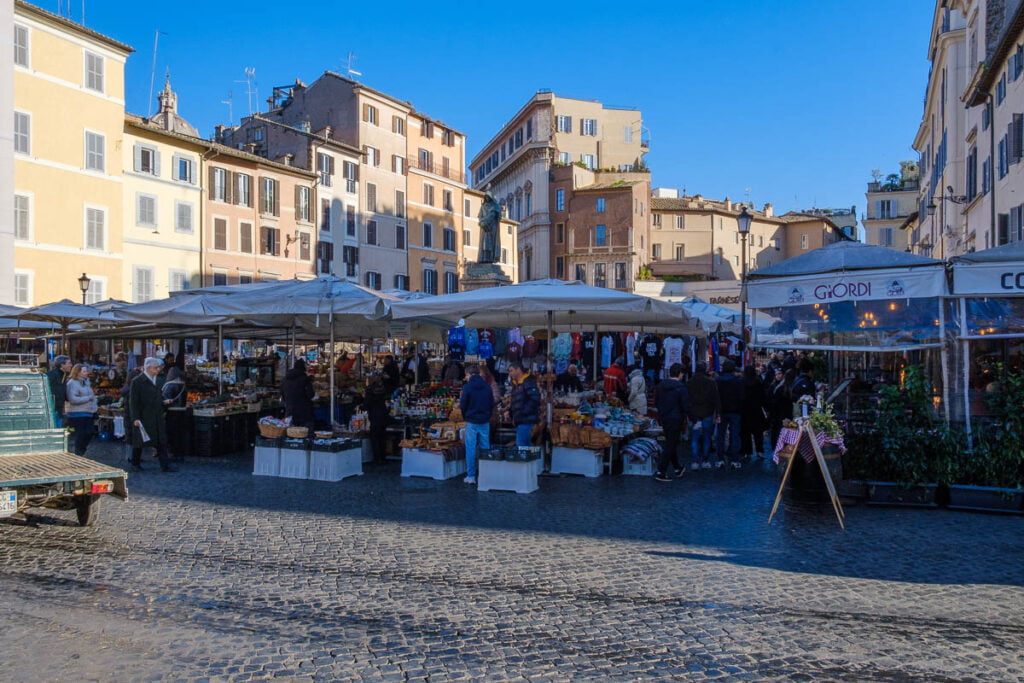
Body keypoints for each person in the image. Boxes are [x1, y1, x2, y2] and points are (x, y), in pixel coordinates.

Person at [128, 357, 176, 472]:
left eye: (158, 367)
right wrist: (135, 417)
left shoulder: (158, 380)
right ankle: (135, 463)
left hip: (157, 415)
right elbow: (133, 401)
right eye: (155, 367)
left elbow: (159, 396)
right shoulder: (137, 381)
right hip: (144, 415)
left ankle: (165, 465)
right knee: (140, 441)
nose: (158, 369)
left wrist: (164, 402)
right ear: (148, 368)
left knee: (161, 441)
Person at [654, 363, 691, 481]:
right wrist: (692, 418)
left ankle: (677, 467)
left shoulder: (661, 386)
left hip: (664, 417)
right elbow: (686, 405)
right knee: (671, 444)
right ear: (680, 374)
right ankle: (661, 470)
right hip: (676, 418)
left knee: (671, 442)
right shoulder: (681, 387)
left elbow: (656, 401)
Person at [459, 364, 494, 485]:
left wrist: (466, 416)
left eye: (466, 375)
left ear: (470, 374)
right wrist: (487, 415)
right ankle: (486, 474)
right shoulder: (487, 387)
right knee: (485, 447)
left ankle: (471, 475)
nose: (465, 378)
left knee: (471, 448)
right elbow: (491, 403)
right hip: (484, 421)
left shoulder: (467, 387)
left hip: (472, 421)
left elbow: (463, 404)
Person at [687, 361, 720, 469]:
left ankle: (695, 461)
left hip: (694, 414)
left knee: (695, 438)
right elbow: (716, 399)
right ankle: (705, 460)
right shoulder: (711, 382)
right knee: (707, 437)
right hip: (707, 413)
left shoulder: (690, 382)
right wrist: (717, 413)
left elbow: (687, 400)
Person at [715, 359, 745, 469]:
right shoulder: (738, 381)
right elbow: (742, 397)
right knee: (734, 435)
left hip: (722, 411)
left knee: (721, 435)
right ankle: (734, 459)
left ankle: (720, 459)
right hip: (735, 411)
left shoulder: (718, 380)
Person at [65, 364, 98, 456]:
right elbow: (72, 399)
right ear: (78, 372)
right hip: (76, 413)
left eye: (86, 371)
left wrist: (94, 407)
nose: (86, 373)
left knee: (89, 432)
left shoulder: (86, 382)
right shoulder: (72, 383)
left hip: (88, 412)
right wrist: (88, 398)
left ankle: (81, 451)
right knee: (81, 434)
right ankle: (78, 452)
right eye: (84, 371)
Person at [507, 362, 541, 447]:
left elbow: (535, 399)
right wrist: (510, 412)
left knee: (522, 447)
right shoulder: (516, 384)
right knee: (526, 446)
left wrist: (523, 412)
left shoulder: (528, 382)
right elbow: (516, 401)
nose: (510, 373)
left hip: (526, 420)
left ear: (518, 369)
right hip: (522, 420)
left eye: (511, 371)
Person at [739, 365, 768, 460]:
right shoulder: (758, 382)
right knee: (758, 433)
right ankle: (759, 450)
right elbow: (763, 396)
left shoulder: (742, 382)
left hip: (745, 411)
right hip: (756, 410)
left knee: (745, 433)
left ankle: (747, 451)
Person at [363, 375, 391, 464]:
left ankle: (377, 458)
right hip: (383, 415)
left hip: (374, 415)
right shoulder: (382, 389)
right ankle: (383, 456)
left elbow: (366, 404)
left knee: (375, 438)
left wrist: (362, 405)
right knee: (382, 437)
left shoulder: (369, 391)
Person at [281, 359, 316, 431]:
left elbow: (282, 394)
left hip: (289, 410)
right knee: (306, 432)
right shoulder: (304, 378)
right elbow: (311, 394)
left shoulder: (285, 379)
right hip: (304, 411)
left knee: (291, 432)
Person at [767, 368, 792, 454]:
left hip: (782, 412)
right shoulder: (774, 386)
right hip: (777, 413)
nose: (778, 376)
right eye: (777, 374)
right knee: (776, 431)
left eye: (780, 374)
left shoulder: (784, 386)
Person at [47, 355, 72, 426]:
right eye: (69, 363)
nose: (71, 365)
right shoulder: (52, 375)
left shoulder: (63, 375)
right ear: (62, 365)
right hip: (52, 409)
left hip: (59, 409)